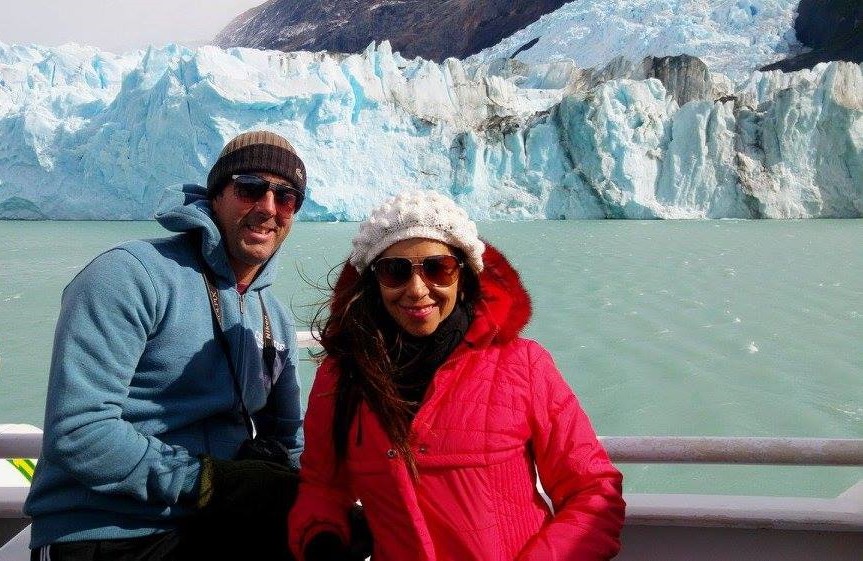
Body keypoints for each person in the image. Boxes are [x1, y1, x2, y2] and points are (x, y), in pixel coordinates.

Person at [290, 189, 626, 560]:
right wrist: (321, 539)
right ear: (374, 281)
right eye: (395, 271)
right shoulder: (343, 376)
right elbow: (322, 487)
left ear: (463, 275)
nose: (417, 290)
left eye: (438, 268)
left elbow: (593, 491)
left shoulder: (524, 366)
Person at [25, 130, 308, 560]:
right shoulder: (130, 277)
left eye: (285, 196)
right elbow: (79, 433)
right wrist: (212, 480)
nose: (268, 207)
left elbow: (289, 441)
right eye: (250, 187)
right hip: (106, 529)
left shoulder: (275, 320)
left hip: (218, 524)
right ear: (216, 196)